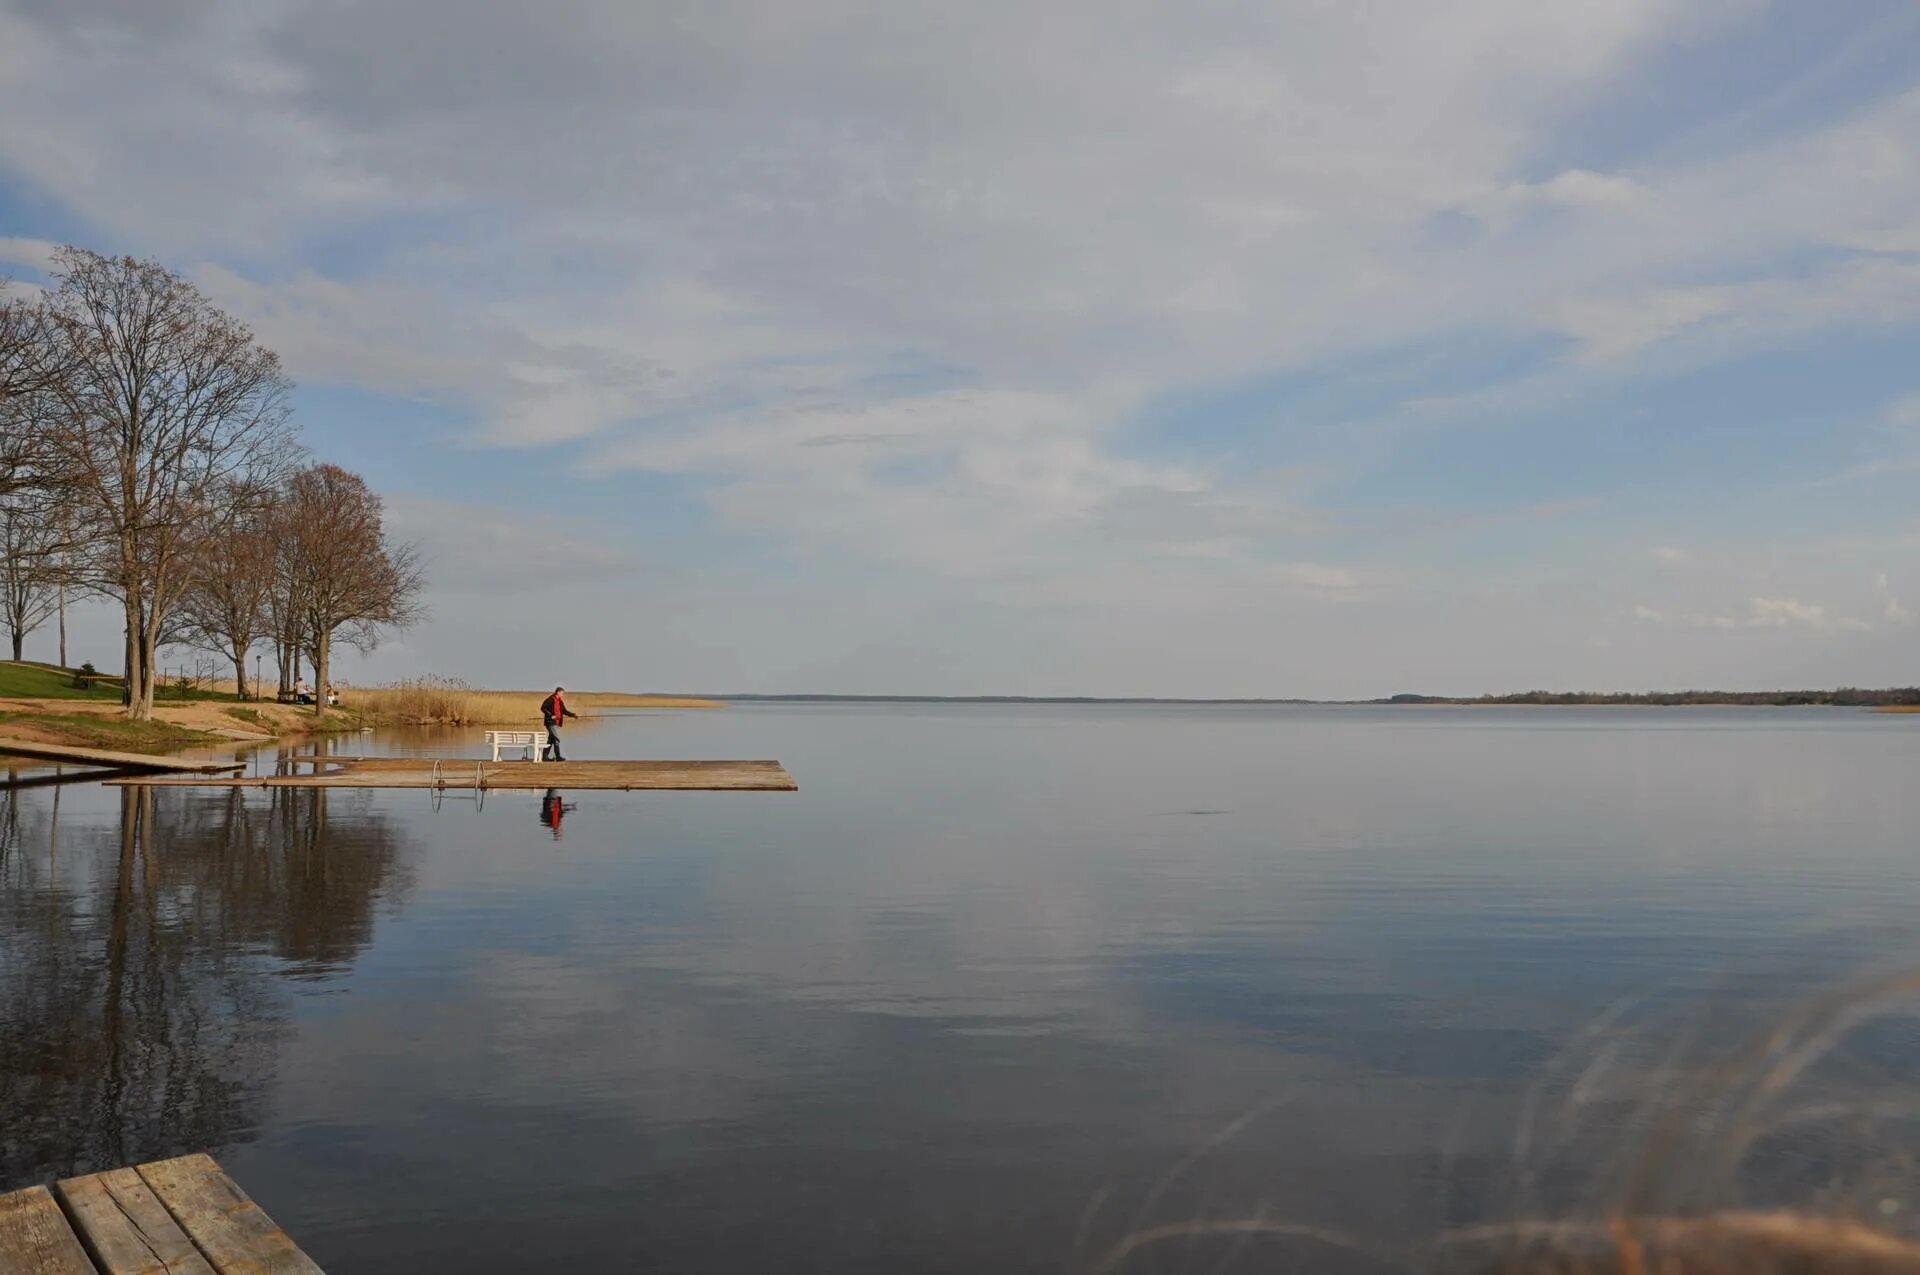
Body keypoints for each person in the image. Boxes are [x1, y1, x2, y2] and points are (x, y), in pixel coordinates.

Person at [539, 685, 579, 761]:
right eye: (562, 693)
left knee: (551, 740)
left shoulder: (560, 701)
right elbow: (543, 708)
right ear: (558, 692)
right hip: (550, 722)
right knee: (556, 739)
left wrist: (573, 715)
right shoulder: (550, 699)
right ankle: (558, 757)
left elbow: (564, 711)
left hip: (556, 723)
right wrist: (550, 715)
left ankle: (545, 757)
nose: (563, 695)